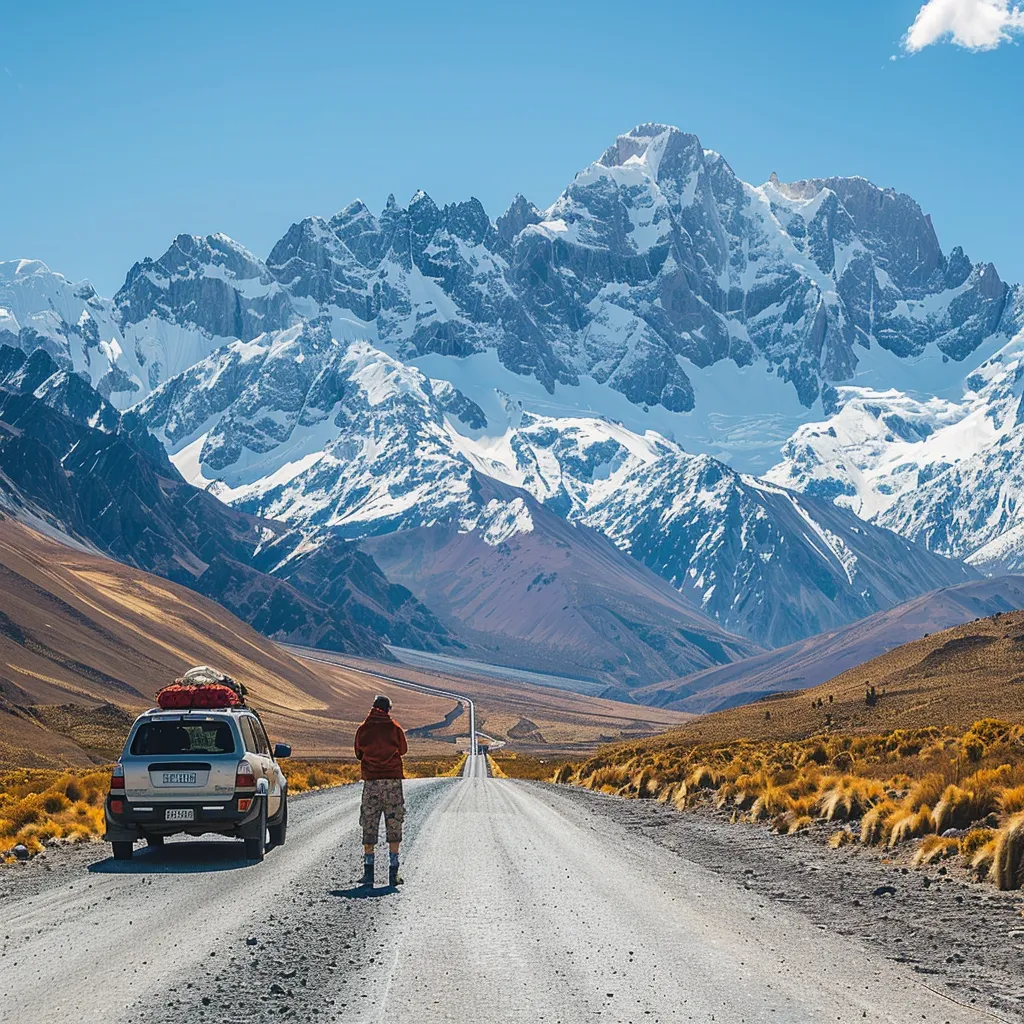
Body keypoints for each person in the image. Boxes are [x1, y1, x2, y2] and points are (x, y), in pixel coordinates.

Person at [354, 694, 408, 887]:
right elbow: (403, 750)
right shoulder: (395, 728)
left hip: (371, 783)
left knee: (369, 823)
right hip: (392, 782)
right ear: (388, 709)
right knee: (394, 823)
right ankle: (393, 873)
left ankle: (368, 873)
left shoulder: (363, 729)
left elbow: (358, 753)